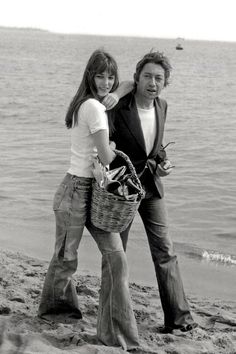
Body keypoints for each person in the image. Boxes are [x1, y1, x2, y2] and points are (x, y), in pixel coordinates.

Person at [38, 49, 139, 351]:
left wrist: (119, 91)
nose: (106, 82)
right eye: (100, 75)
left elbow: (131, 84)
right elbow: (107, 156)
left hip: (94, 191)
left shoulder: (91, 103)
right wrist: (110, 145)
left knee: (113, 256)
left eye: (111, 76)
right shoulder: (93, 108)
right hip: (76, 189)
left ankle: (105, 324)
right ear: (89, 76)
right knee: (66, 258)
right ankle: (55, 312)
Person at [108, 51, 198, 334]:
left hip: (152, 188)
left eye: (159, 78)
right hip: (123, 188)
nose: (153, 82)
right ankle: (113, 316)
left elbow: (155, 147)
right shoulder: (120, 105)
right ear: (137, 79)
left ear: (165, 83)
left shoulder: (163, 105)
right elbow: (105, 138)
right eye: (147, 76)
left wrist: (163, 163)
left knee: (165, 251)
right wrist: (121, 88)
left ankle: (178, 319)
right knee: (116, 252)